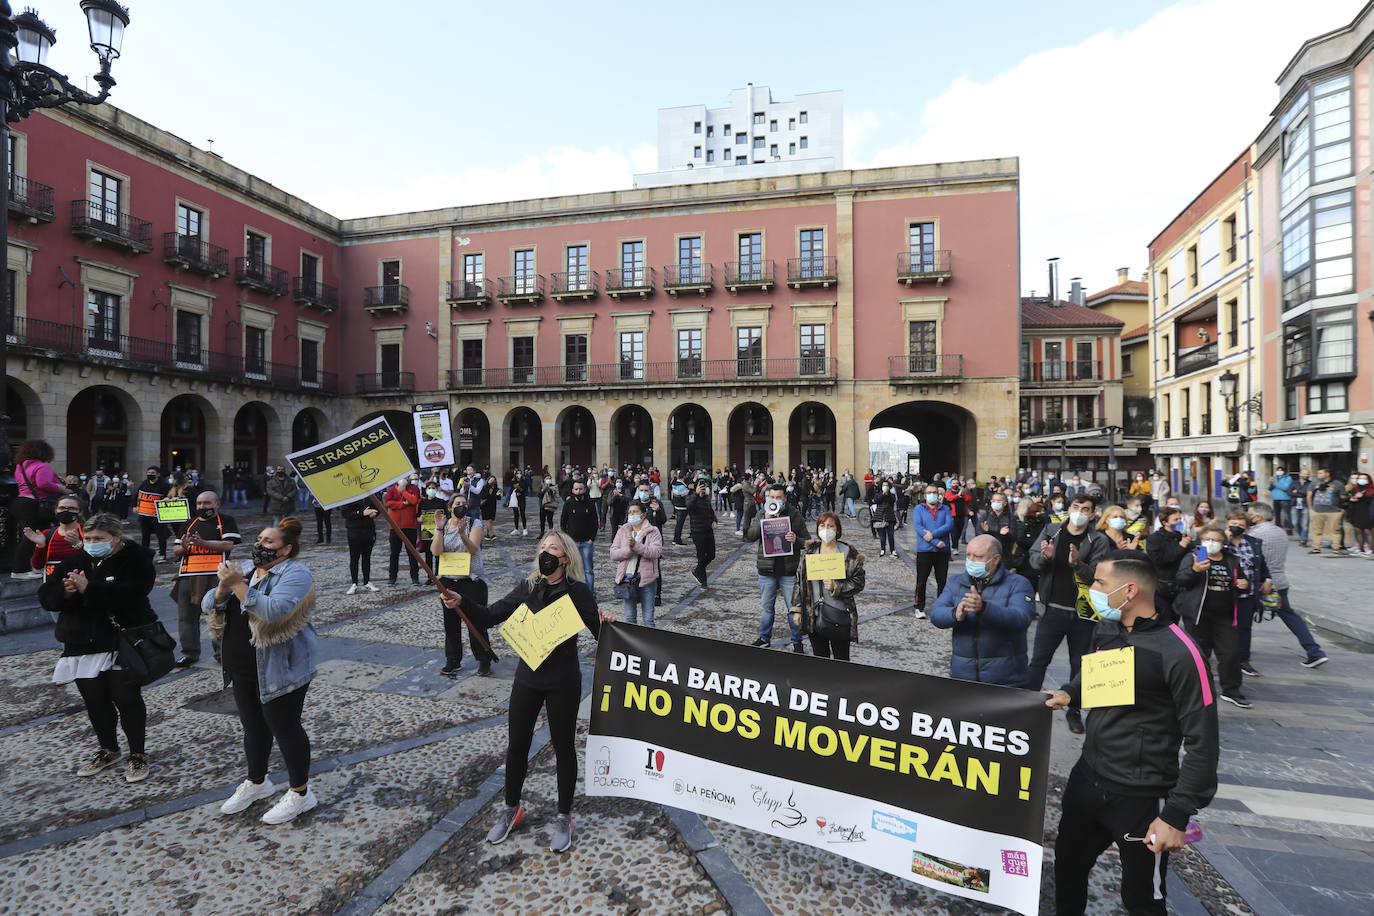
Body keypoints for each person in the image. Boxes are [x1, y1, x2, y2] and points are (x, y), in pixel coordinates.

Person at [1044, 555, 1219, 916]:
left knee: (1142, 898)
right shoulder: (1110, 630)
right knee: (1067, 869)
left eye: (1100, 584)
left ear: (1131, 590)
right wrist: (1070, 693)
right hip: (1088, 780)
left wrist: (1176, 815)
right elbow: (1101, 678)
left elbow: (1203, 742)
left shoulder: (1182, 654)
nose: (1091, 591)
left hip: (1141, 798)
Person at [442, 532, 614, 852]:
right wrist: (461, 602)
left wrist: (608, 624)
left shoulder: (578, 592)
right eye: (543, 548)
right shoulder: (529, 586)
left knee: (563, 747)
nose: (546, 553)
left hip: (563, 682)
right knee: (517, 745)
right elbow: (491, 615)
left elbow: (601, 636)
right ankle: (511, 809)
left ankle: (564, 816)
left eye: (553, 549)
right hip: (527, 679)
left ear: (566, 558)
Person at [205, 518, 321, 824]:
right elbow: (208, 604)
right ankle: (257, 783)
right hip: (242, 667)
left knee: (285, 728)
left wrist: (236, 585)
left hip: (280, 667)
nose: (259, 545)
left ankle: (301, 793)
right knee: (253, 727)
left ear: (286, 548)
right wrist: (222, 587)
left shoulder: (296, 574)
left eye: (268, 542)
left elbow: (272, 611)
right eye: (258, 539)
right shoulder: (244, 568)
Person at [38, 512, 158, 783]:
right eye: (88, 538)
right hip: (82, 641)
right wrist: (68, 591)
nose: (92, 542)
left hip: (121, 641)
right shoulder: (75, 560)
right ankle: (108, 749)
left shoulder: (136, 560)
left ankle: (137, 754)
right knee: (95, 702)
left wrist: (89, 588)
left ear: (115, 538)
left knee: (126, 700)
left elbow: (134, 593)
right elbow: (47, 596)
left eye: (98, 538)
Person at [1025, 494, 1113, 734]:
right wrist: (1045, 557)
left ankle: (1074, 711)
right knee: (1039, 662)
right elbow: (1032, 562)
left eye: (1086, 509)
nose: (1080, 512)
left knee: (1080, 665)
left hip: (1082, 615)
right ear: (1069, 509)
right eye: (1076, 507)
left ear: (1093, 514)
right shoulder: (1052, 530)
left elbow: (1098, 574)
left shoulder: (1098, 539)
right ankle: (1028, 707)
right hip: (1052, 609)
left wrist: (1076, 564)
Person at [930, 534, 1035, 686]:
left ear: (996, 559)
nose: (971, 561)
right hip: (963, 675)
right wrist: (955, 614)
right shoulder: (956, 582)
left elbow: (1021, 618)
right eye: (968, 555)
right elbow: (936, 613)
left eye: (978, 557)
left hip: (1006, 678)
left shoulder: (1018, 583)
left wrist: (984, 609)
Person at [1175, 524, 1250, 708]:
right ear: (1201, 541)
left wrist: (1243, 583)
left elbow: (1240, 579)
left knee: (1231, 653)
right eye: (1207, 539)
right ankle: (1195, 689)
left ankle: (1231, 690)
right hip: (1198, 614)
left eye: (1216, 540)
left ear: (1223, 543)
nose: (1211, 543)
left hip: (1225, 615)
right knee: (1199, 654)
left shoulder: (1231, 559)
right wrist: (1195, 570)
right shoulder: (1197, 555)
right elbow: (1182, 580)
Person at [1245, 502, 1328, 667]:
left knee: (1244, 619)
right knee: (1289, 615)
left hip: (1260, 582)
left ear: (1258, 517)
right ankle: (1314, 651)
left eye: (1249, 513)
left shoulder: (1254, 535)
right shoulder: (1280, 531)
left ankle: (1242, 655)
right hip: (1280, 580)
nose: (1247, 516)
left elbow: (1255, 561)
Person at [171, 491, 240, 667]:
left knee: (218, 613)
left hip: (216, 575)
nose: (202, 507)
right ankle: (189, 653)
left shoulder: (225, 521)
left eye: (207, 503)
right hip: (189, 574)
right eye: (199, 503)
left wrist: (203, 543)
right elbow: (176, 549)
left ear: (217, 504)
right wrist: (183, 547)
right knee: (186, 616)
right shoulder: (189, 522)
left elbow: (227, 545)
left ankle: (221, 653)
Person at [432, 494, 496, 676]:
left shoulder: (474, 523)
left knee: (476, 622)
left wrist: (462, 534)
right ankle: (453, 660)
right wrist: (438, 529)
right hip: (448, 580)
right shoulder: (443, 525)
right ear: (450, 507)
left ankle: (484, 659)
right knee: (451, 623)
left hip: (471, 580)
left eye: (464, 504)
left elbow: (473, 548)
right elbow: (436, 551)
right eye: (458, 504)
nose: (462, 506)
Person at [790, 512, 865, 660]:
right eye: (822, 525)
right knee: (820, 658)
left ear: (837, 530)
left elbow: (859, 582)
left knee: (841, 659)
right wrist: (797, 609)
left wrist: (837, 586)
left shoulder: (848, 552)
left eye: (831, 526)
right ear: (817, 529)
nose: (826, 529)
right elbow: (799, 581)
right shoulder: (810, 552)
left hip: (839, 615)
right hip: (813, 614)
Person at [746, 483, 807, 651]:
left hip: (788, 571)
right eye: (772, 497)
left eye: (779, 497)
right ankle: (764, 638)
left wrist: (797, 540)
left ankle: (797, 641)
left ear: (785, 499)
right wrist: (764, 521)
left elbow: (808, 541)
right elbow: (749, 536)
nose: (775, 500)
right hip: (767, 571)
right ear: (767, 498)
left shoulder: (794, 515)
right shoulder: (761, 513)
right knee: (767, 608)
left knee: (793, 609)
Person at [1223, 511, 1272, 679]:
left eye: (1241, 526)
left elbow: (1261, 564)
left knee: (1244, 628)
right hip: (1223, 595)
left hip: (1248, 595)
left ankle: (1243, 660)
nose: (1236, 528)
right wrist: (1224, 540)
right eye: (1233, 524)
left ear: (1247, 529)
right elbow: (1203, 557)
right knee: (1221, 629)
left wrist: (1267, 579)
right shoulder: (1218, 540)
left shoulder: (1253, 543)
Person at [610, 500, 663, 626]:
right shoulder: (623, 530)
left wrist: (637, 546)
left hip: (647, 578)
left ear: (643, 514)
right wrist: (628, 550)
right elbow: (613, 553)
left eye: (635, 512)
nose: (632, 515)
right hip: (627, 578)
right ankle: (631, 645)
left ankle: (649, 645)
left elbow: (656, 552)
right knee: (629, 618)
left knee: (649, 619)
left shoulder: (653, 531)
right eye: (630, 512)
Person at [912, 483, 954, 620]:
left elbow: (949, 525)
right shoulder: (919, 509)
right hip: (925, 550)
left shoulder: (945, 509)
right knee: (921, 580)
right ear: (925, 495)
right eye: (929, 492)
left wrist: (933, 535)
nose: (932, 495)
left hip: (943, 551)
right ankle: (919, 607)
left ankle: (941, 606)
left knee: (942, 580)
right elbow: (919, 527)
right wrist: (935, 541)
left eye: (935, 492)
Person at [23, 494, 86, 583]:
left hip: (81, 585)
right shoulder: (47, 534)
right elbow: (37, 565)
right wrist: (40, 546)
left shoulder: (87, 532)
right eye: (62, 508)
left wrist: (78, 544)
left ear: (80, 512)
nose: (66, 511)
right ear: (56, 510)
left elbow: (94, 559)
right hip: (53, 587)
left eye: (71, 508)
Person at [1145, 506, 1193, 621]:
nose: (1179, 522)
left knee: (1176, 618)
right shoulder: (1154, 539)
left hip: (1180, 586)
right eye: (1175, 520)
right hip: (1162, 586)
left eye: (1180, 519)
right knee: (1164, 619)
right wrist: (1181, 546)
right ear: (1165, 522)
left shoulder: (1181, 536)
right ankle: (1168, 638)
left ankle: (1177, 638)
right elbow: (1160, 560)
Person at [384, 474, 422, 586]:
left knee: (412, 553)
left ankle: (415, 577)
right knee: (394, 553)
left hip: (410, 525)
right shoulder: (391, 489)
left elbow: (414, 500)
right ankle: (392, 577)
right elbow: (388, 503)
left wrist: (403, 491)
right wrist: (403, 504)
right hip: (395, 526)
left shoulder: (414, 488)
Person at [341, 498, 380, 593]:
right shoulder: (348, 497)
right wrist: (362, 513)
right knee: (354, 558)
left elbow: (378, 507)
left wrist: (375, 512)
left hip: (368, 530)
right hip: (354, 531)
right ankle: (354, 583)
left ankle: (367, 581)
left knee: (366, 557)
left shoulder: (369, 495)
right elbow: (345, 513)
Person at [684, 477, 717, 587]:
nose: (703, 487)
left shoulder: (707, 498)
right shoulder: (691, 496)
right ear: (696, 487)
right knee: (701, 556)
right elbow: (689, 506)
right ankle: (703, 581)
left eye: (705, 486)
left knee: (712, 555)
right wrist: (696, 494)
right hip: (697, 532)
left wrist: (714, 520)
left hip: (708, 530)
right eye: (700, 486)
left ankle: (698, 570)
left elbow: (711, 511)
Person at [134, 466, 171, 563]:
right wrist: (134, 506)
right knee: (145, 536)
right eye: (148, 472)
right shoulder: (144, 483)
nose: (150, 474)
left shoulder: (164, 485)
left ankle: (162, 555)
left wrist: (167, 498)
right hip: (144, 516)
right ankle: (144, 554)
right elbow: (137, 494)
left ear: (158, 474)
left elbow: (170, 496)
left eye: (152, 472)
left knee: (161, 536)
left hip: (157, 516)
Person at [1307, 467, 1346, 556]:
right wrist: (1310, 508)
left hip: (1334, 511)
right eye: (1318, 473)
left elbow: (1343, 497)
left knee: (1335, 531)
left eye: (1321, 473)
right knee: (1317, 530)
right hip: (1317, 511)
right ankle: (1316, 548)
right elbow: (1309, 495)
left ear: (1327, 474)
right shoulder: (1314, 483)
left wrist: (1343, 509)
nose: (1318, 475)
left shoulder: (1338, 484)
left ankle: (1336, 548)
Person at [1344, 472, 1374, 556]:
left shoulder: (1371, 490)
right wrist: (1352, 499)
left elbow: (1370, 501)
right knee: (1358, 530)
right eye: (1360, 478)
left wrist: (1363, 496)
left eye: (1364, 479)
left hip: (1367, 512)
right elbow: (1350, 498)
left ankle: (1371, 549)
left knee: (1368, 531)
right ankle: (1360, 549)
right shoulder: (1356, 489)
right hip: (1357, 512)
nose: (1361, 480)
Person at [872, 479, 897, 557]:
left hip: (890, 517)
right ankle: (882, 549)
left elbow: (893, 500)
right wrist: (883, 494)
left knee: (891, 535)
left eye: (886, 485)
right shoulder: (878, 494)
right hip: (880, 517)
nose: (885, 487)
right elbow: (876, 500)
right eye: (883, 485)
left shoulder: (891, 495)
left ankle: (892, 550)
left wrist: (887, 494)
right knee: (882, 536)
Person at [1268, 465, 1294, 533]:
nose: (1279, 472)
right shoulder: (1274, 477)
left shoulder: (1288, 478)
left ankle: (1289, 528)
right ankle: (1277, 527)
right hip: (1275, 498)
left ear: (1284, 471)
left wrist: (1275, 483)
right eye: (1278, 470)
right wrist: (1271, 484)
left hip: (1284, 498)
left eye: (1281, 470)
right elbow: (1269, 488)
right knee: (1276, 514)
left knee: (1286, 514)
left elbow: (1285, 487)